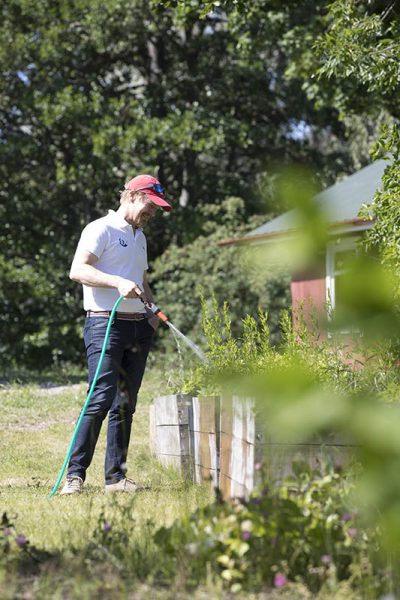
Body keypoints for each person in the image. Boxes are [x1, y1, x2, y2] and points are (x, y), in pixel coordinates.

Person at [60, 174, 172, 495]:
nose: (152, 214)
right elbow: (78, 270)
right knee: (100, 398)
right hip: (104, 325)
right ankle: (74, 476)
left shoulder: (140, 237)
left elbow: (140, 278)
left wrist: (152, 309)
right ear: (133, 196)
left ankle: (115, 479)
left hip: (139, 327)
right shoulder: (100, 228)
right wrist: (117, 282)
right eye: (151, 206)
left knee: (125, 404)